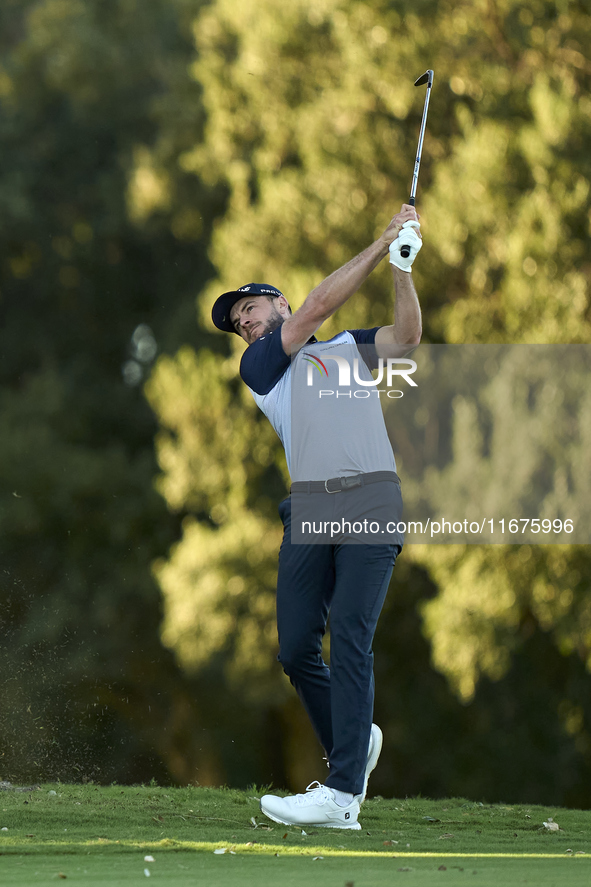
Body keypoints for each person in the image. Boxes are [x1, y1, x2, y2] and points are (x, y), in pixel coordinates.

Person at [211, 204, 422, 830]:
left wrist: (402, 267)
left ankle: (343, 794)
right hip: (310, 509)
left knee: (351, 635)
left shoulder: (348, 351)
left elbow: (406, 337)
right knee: (297, 646)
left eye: (249, 310)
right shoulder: (262, 367)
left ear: (273, 301)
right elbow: (316, 309)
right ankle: (356, 741)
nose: (243, 325)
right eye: (236, 323)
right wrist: (383, 240)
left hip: (372, 500)